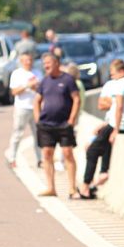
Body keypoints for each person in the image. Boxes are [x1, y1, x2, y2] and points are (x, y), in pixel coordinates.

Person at [79, 59, 124, 199]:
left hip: (120, 125)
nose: (112, 78)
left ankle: (86, 185)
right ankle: (103, 172)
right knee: (103, 144)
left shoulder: (121, 84)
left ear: (122, 72)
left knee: (91, 149)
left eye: (113, 74)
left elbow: (120, 107)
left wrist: (115, 128)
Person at [33, 52, 81, 198]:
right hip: (46, 124)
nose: (46, 66)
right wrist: (38, 119)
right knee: (47, 154)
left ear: (57, 63)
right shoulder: (44, 81)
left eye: (48, 63)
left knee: (68, 153)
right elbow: (37, 100)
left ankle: (72, 188)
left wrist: (72, 119)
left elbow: (76, 99)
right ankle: (50, 187)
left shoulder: (68, 80)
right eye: (44, 64)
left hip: (64, 124)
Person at [7, 52, 41, 167]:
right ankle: (12, 158)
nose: (28, 62)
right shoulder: (17, 74)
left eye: (30, 60)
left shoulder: (38, 73)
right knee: (17, 133)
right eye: (26, 60)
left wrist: (35, 87)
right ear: (21, 61)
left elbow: (43, 90)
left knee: (38, 134)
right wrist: (27, 85)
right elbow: (14, 92)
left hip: (36, 108)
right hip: (22, 107)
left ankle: (40, 159)